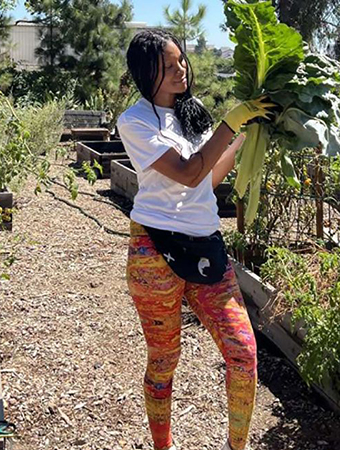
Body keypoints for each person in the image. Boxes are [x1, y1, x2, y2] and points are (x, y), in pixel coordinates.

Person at [116, 29, 274, 450]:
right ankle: (162, 446)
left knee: (243, 354)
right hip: (155, 249)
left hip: (206, 247)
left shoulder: (196, 114)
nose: (180, 70)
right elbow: (186, 170)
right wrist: (232, 121)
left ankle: (236, 447)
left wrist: (245, 135)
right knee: (165, 360)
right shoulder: (133, 121)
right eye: (168, 66)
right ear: (144, 71)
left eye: (181, 61)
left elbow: (206, 176)